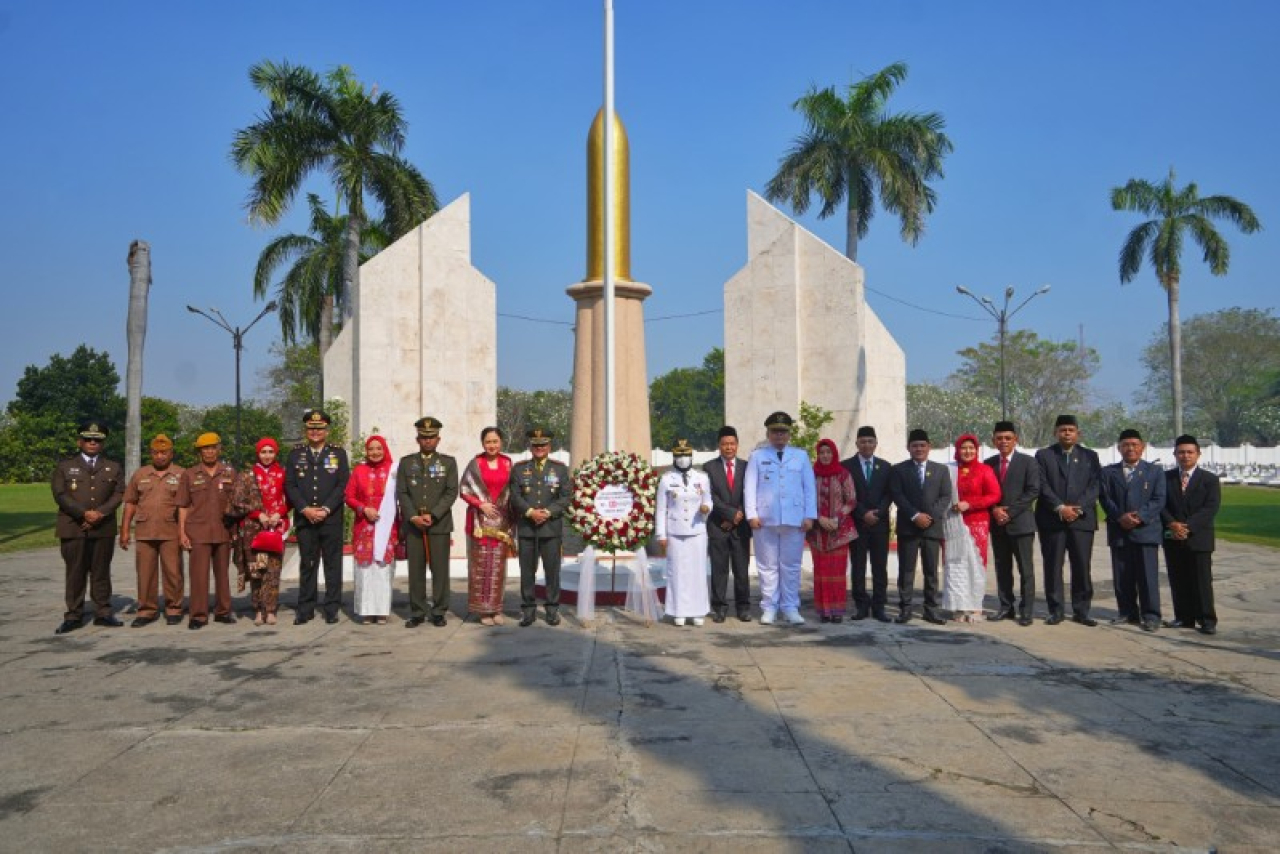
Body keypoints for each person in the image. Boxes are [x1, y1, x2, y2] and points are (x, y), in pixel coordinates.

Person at [51, 421, 125, 634]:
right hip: (73, 526)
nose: (92, 443)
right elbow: (60, 494)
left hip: (103, 527)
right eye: (88, 439)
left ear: (102, 443)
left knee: (101, 571)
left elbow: (119, 493)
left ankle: (103, 612)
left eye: (97, 439)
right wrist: (83, 514)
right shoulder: (65, 466)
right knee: (75, 572)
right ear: (80, 441)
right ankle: (74, 615)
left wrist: (100, 513)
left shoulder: (113, 466)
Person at [744, 411, 817, 625]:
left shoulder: (800, 456)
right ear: (768, 433)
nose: (779, 435)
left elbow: (809, 488)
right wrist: (751, 514)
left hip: (794, 518)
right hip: (765, 518)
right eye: (775, 431)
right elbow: (750, 487)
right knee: (767, 565)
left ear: (789, 434)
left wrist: (809, 515)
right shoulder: (757, 456)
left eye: (783, 431)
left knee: (791, 565)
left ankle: (790, 606)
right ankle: (769, 607)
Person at [284, 409, 350, 625]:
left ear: (326, 430)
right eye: (311, 428)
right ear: (305, 430)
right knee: (308, 563)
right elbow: (290, 485)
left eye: (319, 428)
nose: (315, 432)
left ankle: (331, 607)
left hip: (330, 518)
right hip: (306, 519)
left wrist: (326, 509)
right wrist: (304, 509)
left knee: (332, 564)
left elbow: (342, 484)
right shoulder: (295, 454)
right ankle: (306, 608)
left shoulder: (338, 453)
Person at [1034, 414, 1101, 626]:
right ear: (1055, 433)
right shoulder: (1044, 455)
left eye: (1071, 430)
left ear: (1078, 433)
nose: (1067, 433)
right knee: (1053, 566)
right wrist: (1060, 507)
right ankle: (1056, 610)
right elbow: (1042, 484)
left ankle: (1082, 610)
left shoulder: (1090, 456)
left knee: (1081, 566)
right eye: (1062, 430)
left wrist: (1077, 508)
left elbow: (1095, 485)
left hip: (1082, 521)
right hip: (1052, 520)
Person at [1099, 429, 1166, 632]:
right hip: (1119, 530)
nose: (1130, 448)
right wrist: (1120, 516)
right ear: (1119, 448)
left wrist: (1139, 517)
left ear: (1142, 447)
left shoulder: (1154, 472)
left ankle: (1151, 615)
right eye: (1126, 445)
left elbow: (1159, 499)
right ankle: (1127, 611)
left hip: (1146, 531)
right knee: (1122, 576)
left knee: (1147, 576)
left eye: (1134, 444)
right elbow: (1104, 499)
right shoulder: (1108, 472)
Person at [396, 416, 458, 628]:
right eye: (423, 437)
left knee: (440, 570)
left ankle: (439, 611)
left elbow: (451, 492)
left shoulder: (448, 462)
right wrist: (413, 516)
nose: (427, 441)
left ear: (438, 439)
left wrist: (434, 514)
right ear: (417, 438)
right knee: (416, 570)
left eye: (431, 437)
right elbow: (402, 492)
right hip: (414, 525)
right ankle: (418, 611)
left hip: (439, 524)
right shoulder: (406, 463)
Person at [119, 433, 185, 627]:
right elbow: (130, 503)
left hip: (170, 530)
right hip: (145, 531)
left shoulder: (181, 474)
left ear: (171, 453)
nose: (160, 456)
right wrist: (124, 531)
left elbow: (186, 506)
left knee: (173, 572)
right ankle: (146, 610)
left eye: (164, 452)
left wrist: (184, 531)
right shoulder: (140, 474)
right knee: (145, 573)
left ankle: (174, 608)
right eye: (156, 453)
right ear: (150, 454)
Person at [509, 428, 573, 627]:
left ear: (549, 446)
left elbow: (566, 497)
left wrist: (546, 512)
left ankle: (552, 610)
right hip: (527, 528)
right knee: (527, 572)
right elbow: (514, 496)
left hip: (550, 528)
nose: (539, 448)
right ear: (530, 446)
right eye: (535, 445)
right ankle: (528, 610)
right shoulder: (519, 469)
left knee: (552, 571)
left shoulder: (560, 469)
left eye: (543, 445)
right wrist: (530, 512)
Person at [888, 429, 951, 625]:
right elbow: (897, 495)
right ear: (908, 448)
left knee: (931, 572)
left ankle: (931, 610)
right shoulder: (898, 470)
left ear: (929, 447)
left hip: (932, 529)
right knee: (906, 571)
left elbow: (945, 497)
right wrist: (915, 515)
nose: (919, 449)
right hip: (909, 527)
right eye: (915, 445)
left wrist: (929, 517)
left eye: (922, 445)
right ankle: (905, 610)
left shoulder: (941, 470)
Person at [176, 432, 238, 630]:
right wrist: (182, 532)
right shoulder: (189, 474)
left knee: (223, 574)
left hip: (223, 530)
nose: (209, 451)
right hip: (198, 531)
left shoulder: (229, 472)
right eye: (205, 448)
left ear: (219, 449)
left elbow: (236, 504)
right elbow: (183, 505)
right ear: (199, 451)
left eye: (213, 447)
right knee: (199, 575)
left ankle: (223, 611)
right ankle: (198, 615)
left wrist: (236, 530)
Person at [1161, 434, 1221, 635]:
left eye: (1189, 452)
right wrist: (1172, 524)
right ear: (1175, 454)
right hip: (1172, 536)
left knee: (1202, 580)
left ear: (1198, 454)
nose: (1185, 456)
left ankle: (1207, 619)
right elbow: (1160, 504)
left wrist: (1187, 527)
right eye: (1181, 452)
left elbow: (1210, 508)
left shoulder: (1209, 480)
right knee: (1178, 579)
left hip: (1199, 537)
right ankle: (1183, 617)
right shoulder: (1165, 478)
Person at [985, 421, 1040, 626]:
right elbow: (984, 492)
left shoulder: (1028, 462)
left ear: (1015, 439)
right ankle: (1006, 607)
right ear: (993, 440)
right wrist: (994, 509)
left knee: (1025, 569)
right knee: (1002, 568)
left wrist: (1010, 512)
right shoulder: (988, 463)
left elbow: (1033, 491)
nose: (1003, 441)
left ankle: (1026, 610)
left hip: (1021, 523)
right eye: (999, 438)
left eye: (1008, 438)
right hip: (997, 524)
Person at [231, 437, 290, 626]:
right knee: (256, 570)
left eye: (270, 452)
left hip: (276, 528)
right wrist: (259, 514)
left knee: (273, 569)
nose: (267, 456)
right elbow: (238, 501)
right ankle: (257, 609)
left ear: (276, 453)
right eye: (263, 452)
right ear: (258, 453)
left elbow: (290, 498)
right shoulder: (247, 475)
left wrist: (278, 514)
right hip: (253, 529)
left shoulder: (283, 474)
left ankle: (271, 609)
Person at [943, 434, 1001, 622]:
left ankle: (975, 605)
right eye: (963, 448)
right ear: (957, 450)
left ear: (977, 450)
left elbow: (994, 495)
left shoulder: (985, 470)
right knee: (956, 564)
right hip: (953, 523)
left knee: (975, 564)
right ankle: (958, 606)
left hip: (977, 523)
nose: (967, 451)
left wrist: (970, 504)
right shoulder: (950, 471)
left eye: (971, 448)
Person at [459, 427, 514, 626]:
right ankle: (482, 610)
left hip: (501, 521)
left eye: (495, 441)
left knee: (498, 566)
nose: (492, 445)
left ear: (501, 442)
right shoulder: (476, 463)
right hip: (479, 521)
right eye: (488, 442)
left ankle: (496, 608)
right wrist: (480, 504)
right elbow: (464, 489)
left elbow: (512, 491)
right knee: (480, 565)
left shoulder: (508, 463)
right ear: (483, 443)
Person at [657, 438, 713, 626]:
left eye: (686, 455)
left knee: (697, 571)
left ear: (691, 456)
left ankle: (698, 611)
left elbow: (708, 500)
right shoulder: (666, 479)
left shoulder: (701, 477)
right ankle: (677, 611)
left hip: (697, 530)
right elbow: (661, 509)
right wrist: (661, 535)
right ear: (673, 457)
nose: (683, 459)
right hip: (675, 531)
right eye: (679, 456)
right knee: (677, 572)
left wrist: (706, 507)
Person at [345, 435, 399, 625]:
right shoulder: (359, 470)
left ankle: (382, 611)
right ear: (366, 451)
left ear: (384, 450)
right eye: (371, 449)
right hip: (364, 527)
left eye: (379, 448)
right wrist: (363, 509)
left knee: (383, 569)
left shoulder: (394, 471)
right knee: (365, 569)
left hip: (386, 527)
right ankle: (367, 611)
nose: (375, 452)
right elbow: (349, 496)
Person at [841, 426, 893, 622]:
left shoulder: (886, 467)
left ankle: (879, 606)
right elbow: (846, 495)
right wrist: (863, 514)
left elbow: (890, 493)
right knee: (858, 566)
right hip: (857, 524)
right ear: (856, 444)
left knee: (880, 567)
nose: (867, 445)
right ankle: (861, 605)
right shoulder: (846, 466)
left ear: (876, 443)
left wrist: (878, 513)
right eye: (863, 441)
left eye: (870, 441)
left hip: (880, 524)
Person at [704, 425, 752, 622]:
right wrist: (730, 515)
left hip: (741, 528)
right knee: (719, 569)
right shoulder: (709, 468)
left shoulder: (747, 467)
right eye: (725, 444)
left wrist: (737, 516)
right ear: (719, 446)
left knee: (741, 569)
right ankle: (720, 607)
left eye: (732, 443)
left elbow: (750, 493)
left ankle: (743, 607)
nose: (729, 447)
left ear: (737, 445)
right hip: (718, 525)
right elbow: (710, 497)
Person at [808, 438, 856, 623]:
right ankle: (823, 611)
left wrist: (837, 518)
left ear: (834, 453)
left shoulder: (843, 474)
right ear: (818, 455)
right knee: (820, 572)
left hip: (839, 531)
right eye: (822, 453)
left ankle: (836, 610)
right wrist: (819, 518)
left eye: (828, 452)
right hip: (818, 531)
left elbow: (851, 499)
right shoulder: (811, 475)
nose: (825, 456)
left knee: (837, 572)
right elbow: (805, 498)